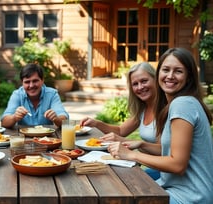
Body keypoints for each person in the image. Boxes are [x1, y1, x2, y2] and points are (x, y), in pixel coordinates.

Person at [107, 47, 213, 203]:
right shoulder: (183, 103)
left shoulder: (181, 105)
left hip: (190, 197)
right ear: (158, 75)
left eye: (178, 71)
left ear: (189, 77)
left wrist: (131, 154)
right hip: (178, 188)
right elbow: (175, 151)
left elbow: (177, 164)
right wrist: (142, 144)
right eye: (165, 70)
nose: (170, 76)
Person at [80, 62, 160, 179]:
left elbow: (165, 151)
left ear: (155, 79)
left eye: (144, 81)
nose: (140, 87)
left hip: (165, 173)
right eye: (135, 84)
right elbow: (121, 130)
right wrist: (96, 123)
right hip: (152, 167)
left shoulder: (165, 109)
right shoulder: (143, 109)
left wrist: (126, 141)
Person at [1, 63, 69, 128]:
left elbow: (65, 121)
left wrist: (56, 118)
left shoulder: (52, 94)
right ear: (22, 83)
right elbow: (4, 122)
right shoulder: (17, 95)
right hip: (23, 137)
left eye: (35, 81)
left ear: (42, 80)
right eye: (27, 82)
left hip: (47, 138)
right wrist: (14, 117)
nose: (31, 85)